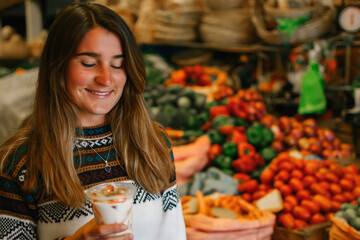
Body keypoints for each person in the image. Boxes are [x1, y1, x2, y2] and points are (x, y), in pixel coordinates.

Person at [0, 2, 187, 240]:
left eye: (118, 64)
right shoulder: (19, 162)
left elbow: (172, 233)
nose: (106, 79)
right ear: (56, 66)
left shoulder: (154, 143)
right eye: (89, 63)